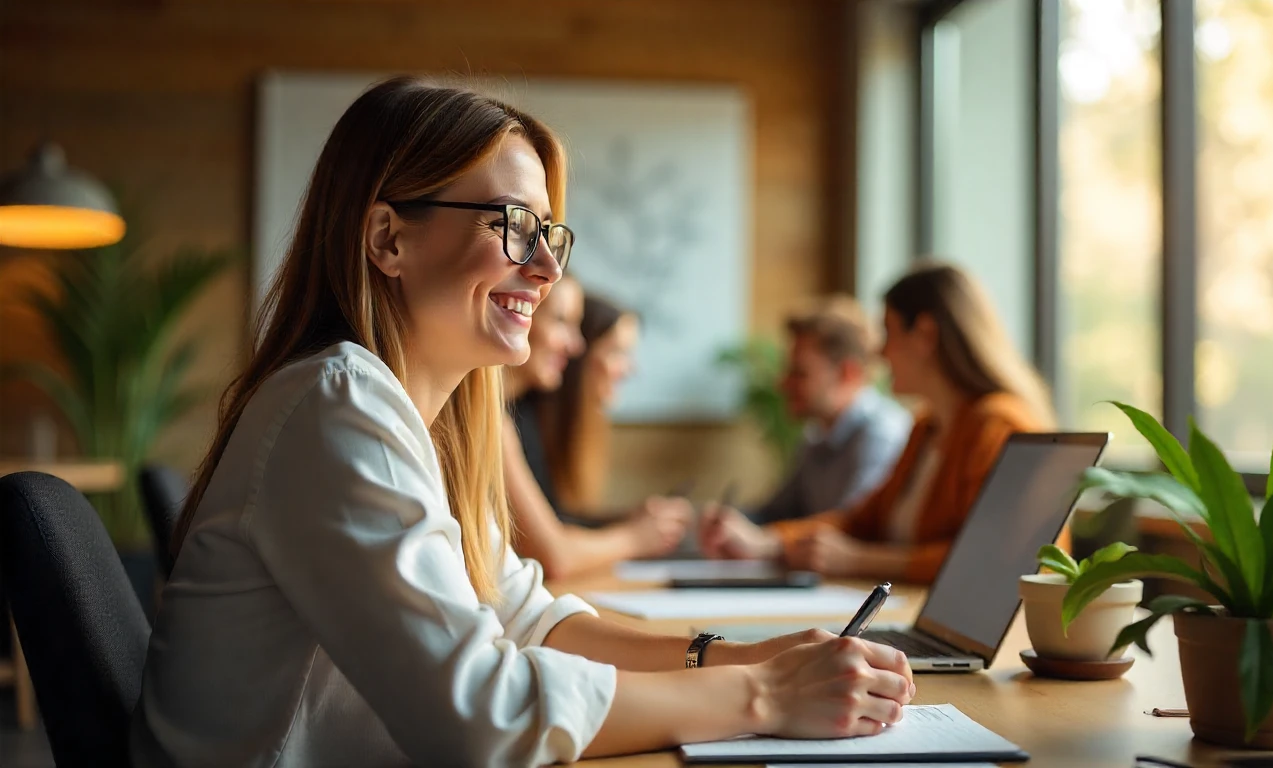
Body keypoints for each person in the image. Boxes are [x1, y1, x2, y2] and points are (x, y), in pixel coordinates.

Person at [134, 77, 914, 768]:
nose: (545, 268)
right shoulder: (336, 408)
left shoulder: (416, 419)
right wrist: (764, 696)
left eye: (550, 234)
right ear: (388, 239)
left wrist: (740, 657)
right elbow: (484, 716)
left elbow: (529, 618)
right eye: (511, 224)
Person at [700, 263, 1055, 584]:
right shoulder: (926, 427)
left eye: (888, 332)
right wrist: (771, 542)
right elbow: (861, 521)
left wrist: (860, 561)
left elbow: (989, 561)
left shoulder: (1001, 424)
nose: (879, 353)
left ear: (926, 335)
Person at [504, 283, 691, 579]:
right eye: (617, 352)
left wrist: (628, 522)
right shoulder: (508, 418)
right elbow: (552, 551)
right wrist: (635, 537)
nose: (629, 369)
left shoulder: (523, 418)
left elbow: (555, 520)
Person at [749, 295, 911, 524]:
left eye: (799, 373)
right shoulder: (815, 438)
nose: (783, 384)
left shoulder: (882, 435)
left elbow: (852, 525)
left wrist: (771, 542)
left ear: (847, 373)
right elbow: (773, 513)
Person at [533, 294, 641, 516]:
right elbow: (551, 542)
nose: (630, 369)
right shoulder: (522, 423)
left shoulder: (580, 430)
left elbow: (568, 519)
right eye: (616, 352)